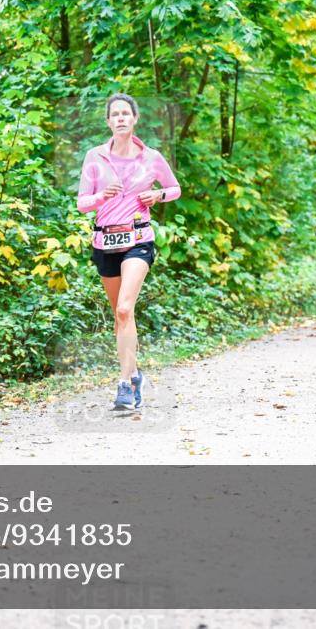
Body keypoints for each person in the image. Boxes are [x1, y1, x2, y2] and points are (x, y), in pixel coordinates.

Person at [77, 93, 181, 410]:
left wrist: (157, 195)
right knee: (120, 317)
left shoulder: (151, 157)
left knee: (125, 309)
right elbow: (82, 204)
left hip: (138, 239)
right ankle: (134, 373)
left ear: (134, 119)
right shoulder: (95, 157)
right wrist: (100, 198)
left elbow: (174, 189)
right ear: (108, 122)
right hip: (105, 242)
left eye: (126, 113)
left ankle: (123, 386)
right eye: (115, 114)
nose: (121, 118)